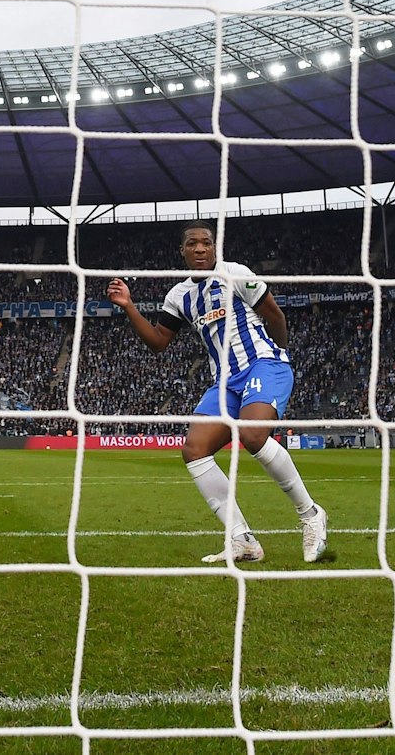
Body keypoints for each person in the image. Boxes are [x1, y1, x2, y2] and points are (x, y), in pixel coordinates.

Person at [106, 222, 329, 564]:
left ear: (215, 247)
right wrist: (129, 307)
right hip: (225, 381)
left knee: (253, 436)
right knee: (194, 450)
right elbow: (158, 342)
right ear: (182, 252)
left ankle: (310, 513)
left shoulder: (235, 273)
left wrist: (276, 357)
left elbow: (275, 315)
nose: (199, 249)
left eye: (206, 243)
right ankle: (242, 541)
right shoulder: (179, 296)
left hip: (263, 364)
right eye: (192, 244)